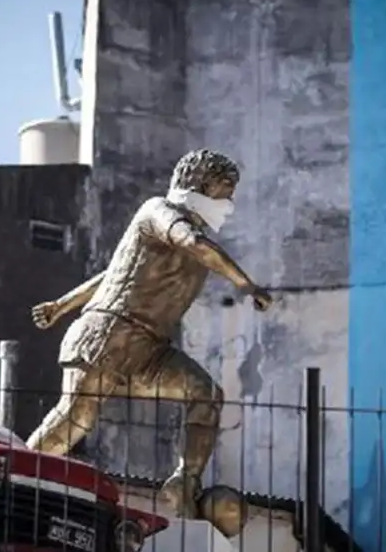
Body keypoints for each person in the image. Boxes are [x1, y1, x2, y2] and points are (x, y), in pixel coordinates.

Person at [27, 148, 272, 522]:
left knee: (205, 394)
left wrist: (60, 305)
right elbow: (189, 246)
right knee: (76, 419)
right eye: (225, 191)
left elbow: (110, 274)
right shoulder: (160, 212)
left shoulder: (194, 235)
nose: (230, 202)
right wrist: (247, 284)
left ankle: (183, 482)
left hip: (150, 350)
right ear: (201, 185)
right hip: (107, 335)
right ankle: (16, 469)